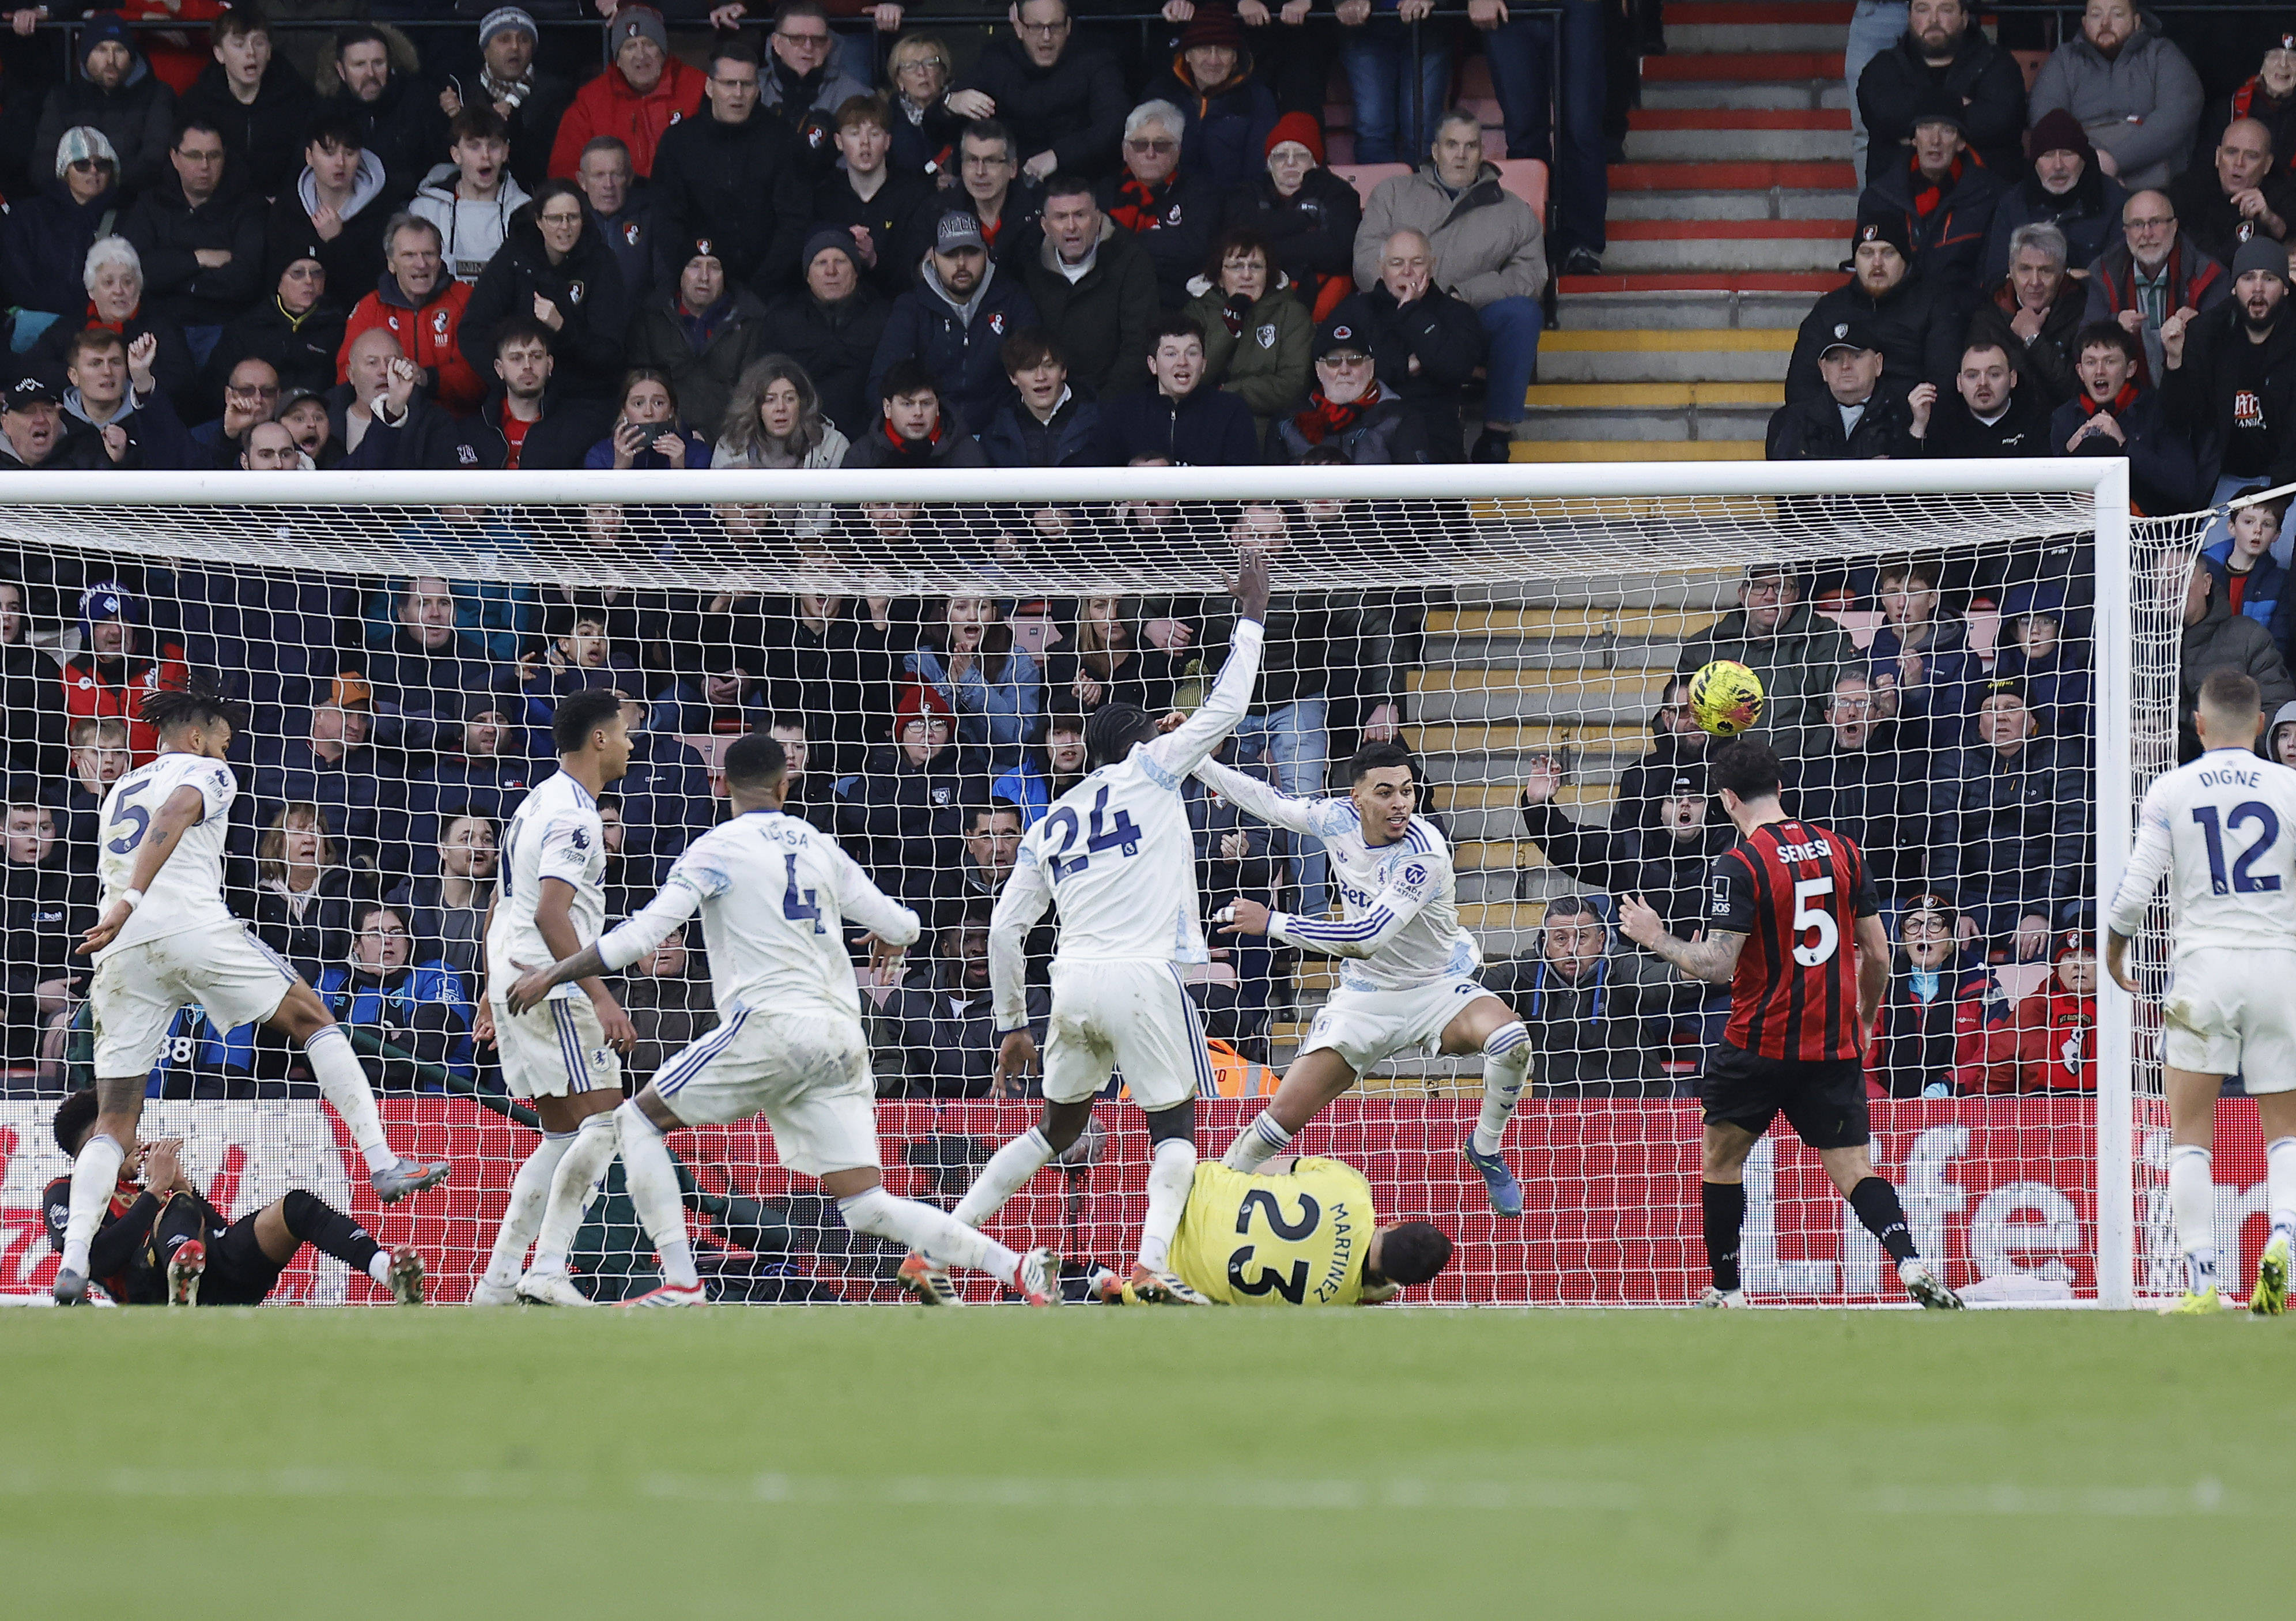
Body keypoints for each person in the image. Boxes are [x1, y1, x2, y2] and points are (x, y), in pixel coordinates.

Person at [505, 730, 1057, 1307]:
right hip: (842, 1039)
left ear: (722, 786)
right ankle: (1015, 1265)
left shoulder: (716, 849)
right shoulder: (818, 845)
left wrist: (552, 973)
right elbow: (905, 925)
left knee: (637, 1124)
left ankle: (682, 1282)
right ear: (785, 784)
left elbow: (641, 934)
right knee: (865, 1203)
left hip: (771, 1025)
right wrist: (887, 939)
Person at [941, 550, 1272, 1306]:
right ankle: (1152, 1265)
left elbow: (1003, 931)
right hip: (1138, 974)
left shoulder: (1051, 819)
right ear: (1142, 744)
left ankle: (939, 1248)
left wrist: (1010, 1025)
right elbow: (1224, 709)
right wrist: (1249, 616)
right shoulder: (1154, 771)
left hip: (1071, 983)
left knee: (1055, 1131)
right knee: (1176, 1129)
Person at [47, 689, 450, 1306]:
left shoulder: (120, 789)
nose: (228, 743)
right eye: (223, 733)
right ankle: (382, 1160)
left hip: (122, 953)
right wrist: (133, 897)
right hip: (187, 927)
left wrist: (123, 909)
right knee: (313, 1017)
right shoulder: (205, 771)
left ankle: (73, 1264)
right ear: (198, 735)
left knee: (114, 1118)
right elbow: (178, 812)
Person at [1615, 737, 1963, 1310]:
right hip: (1831, 1044)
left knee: (1721, 1164)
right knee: (1854, 1168)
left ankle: (1728, 1291)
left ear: (1727, 799)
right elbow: (1878, 953)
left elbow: (1718, 964)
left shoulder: (1740, 862)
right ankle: (1910, 1261)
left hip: (1756, 1043)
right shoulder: (1844, 850)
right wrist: (1868, 1018)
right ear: (1780, 788)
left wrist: (1655, 937)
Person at [1204, 738, 1535, 1215]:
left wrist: (1272, 922)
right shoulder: (1335, 818)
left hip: (1436, 989)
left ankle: (1485, 1147)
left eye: (1407, 790)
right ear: (1356, 797)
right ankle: (1214, 1194)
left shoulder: (1425, 854)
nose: (1400, 803)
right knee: (1280, 1119)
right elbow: (1269, 803)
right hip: (1365, 997)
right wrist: (1198, 760)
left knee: (1511, 1040)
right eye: (1385, 792)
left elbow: (1366, 937)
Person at [2106, 666, 2296, 1314]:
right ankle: (2282, 1244)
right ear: (2263, 724)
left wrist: (2113, 948)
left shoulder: (2173, 787)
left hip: (2204, 969)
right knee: (2287, 1130)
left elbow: (2135, 891)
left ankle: (2202, 1282)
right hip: (2279, 966)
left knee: (2188, 1129)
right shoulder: (2291, 787)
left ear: (2199, 724)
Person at [466, 689, 638, 1306]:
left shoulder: (537, 800)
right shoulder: (575, 817)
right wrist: (601, 996)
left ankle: (499, 1281)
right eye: (621, 732)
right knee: (606, 1123)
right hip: (552, 983)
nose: (630, 741)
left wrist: (487, 990)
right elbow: (548, 912)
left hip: (513, 973)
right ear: (598, 739)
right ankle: (548, 1268)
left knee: (563, 1137)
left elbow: (504, 900)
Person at [44, 1092, 425, 1308]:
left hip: (216, 1277)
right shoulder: (66, 1191)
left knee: (296, 1208)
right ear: (102, 1138)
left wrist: (183, 1187)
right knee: (176, 1208)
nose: (137, 1139)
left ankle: (384, 1269)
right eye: (127, 1131)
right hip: (149, 1293)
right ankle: (181, 1287)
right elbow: (98, 1261)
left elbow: (220, 1233)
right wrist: (158, 1192)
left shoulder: (148, 1186)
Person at [1352, 110, 1546, 461]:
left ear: (1483, 151)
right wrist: (1408, 292)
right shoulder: (1394, 192)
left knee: (1522, 313)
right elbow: (1366, 260)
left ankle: (1496, 436)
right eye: (1452, 145)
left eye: (1471, 146)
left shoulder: (1514, 210)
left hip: (1465, 320)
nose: (1461, 154)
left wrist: (1466, 294)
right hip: (1395, 318)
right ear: (1435, 150)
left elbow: (1532, 275)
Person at [1131, 1149, 1451, 1306]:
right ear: (1394, 1282)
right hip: (1179, 1270)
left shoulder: (1353, 1188)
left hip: (1181, 1193)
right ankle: (1123, 1290)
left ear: (1395, 1224)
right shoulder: (1333, 1306)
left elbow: (1267, 1167)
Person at [1928, 678, 2089, 957]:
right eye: (1990, 709)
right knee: (1945, 945)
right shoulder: (1955, 758)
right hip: (1973, 900)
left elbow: (2071, 839)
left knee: (2048, 947)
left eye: (2011, 707)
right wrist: (1952, 910)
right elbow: (1944, 840)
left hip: (2040, 896)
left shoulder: (2063, 753)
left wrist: (2042, 911)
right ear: (1978, 722)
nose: (2000, 716)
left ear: (2032, 718)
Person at [651, 35, 812, 296]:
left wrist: (760, 289)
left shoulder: (782, 139)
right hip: (698, 288)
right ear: (709, 87)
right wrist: (697, 283)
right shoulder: (679, 142)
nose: (738, 94)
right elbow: (668, 223)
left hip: (772, 291)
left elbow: (795, 222)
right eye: (729, 84)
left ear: (758, 90)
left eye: (746, 84)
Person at [2161, 236, 2296, 512]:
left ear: (2285, 289)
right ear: (2234, 288)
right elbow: (2178, 420)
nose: (2258, 289)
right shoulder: (2208, 334)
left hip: (2289, 482)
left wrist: (2278, 501)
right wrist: (2175, 359)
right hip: (2224, 478)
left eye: (2269, 278)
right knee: (2213, 554)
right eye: (2248, 278)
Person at [869, 209, 1036, 430]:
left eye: (971, 252)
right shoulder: (912, 307)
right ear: (933, 258)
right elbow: (881, 385)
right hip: (933, 437)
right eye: (950, 255)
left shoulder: (1013, 299)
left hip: (1004, 434)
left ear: (986, 253)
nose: (961, 264)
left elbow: (1036, 375)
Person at [1675, 563, 1858, 764]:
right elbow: (1670, 717)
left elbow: (1850, 704)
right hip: (1724, 772)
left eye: (1781, 587)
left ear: (1796, 594)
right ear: (1742, 593)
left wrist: (1811, 754)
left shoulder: (1826, 638)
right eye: (1759, 586)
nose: (1770, 596)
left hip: (1807, 772)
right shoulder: (1705, 647)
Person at [1328, 229, 1484, 462]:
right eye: (1396, 263)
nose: (1407, 271)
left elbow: (1455, 367)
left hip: (1433, 437)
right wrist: (1403, 366)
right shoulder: (1355, 310)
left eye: (1417, 262)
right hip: (1362, 431)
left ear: (1432, 266)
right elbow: (1331, 372)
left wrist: (1413, 312)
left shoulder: (1456, 313)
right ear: (1381, 268)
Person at [118, 118, 265, 361]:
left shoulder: (248, 206)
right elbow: (134, 270)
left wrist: (176, 278)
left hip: (224, 327)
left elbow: (246, 278)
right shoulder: (150, 204)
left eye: (214, 156)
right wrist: (197, 259)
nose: (205, 165)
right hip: (159, 328)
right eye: (195, 156)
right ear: (175, 158)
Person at [2028, 0, 2202, 193]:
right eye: (2096, 15)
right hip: (2079, 177)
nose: (2105, 23)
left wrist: (2116, 160)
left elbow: (2177, 115)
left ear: (2136, 21)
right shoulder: (2063, 60)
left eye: (2117, 14)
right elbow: (2046, 119)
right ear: (2085, 23)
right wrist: (2093, 161)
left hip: (2156, 184)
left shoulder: (2162, 54)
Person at [1786, 214, 1961, 404]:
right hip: (1843, 424)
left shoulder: (1934, 303)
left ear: (1904, 259)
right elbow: (1801, 387)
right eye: (1867, 253)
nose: (1877, 263)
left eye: (1888, 253)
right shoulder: (1830, 309)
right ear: (1855, 260)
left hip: (1910, 423)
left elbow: (1943, 384)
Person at [946, 0, 1126, 182]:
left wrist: (1059, 156)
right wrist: (950, 104)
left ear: (1069, 27)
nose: (1046, 37)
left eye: (1054, 27)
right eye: (1036, 27)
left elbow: (1113, 124)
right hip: (1007, 188)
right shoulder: (995, 60)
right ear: (1019, 28)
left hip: (1078, 185)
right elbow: (936, 128)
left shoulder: (1095, 61)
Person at [1853, 0, 2025, 186]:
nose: (1934, 20)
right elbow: (1882, 115)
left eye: (1946, 10)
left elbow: (2000, 121)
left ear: (1965, 19)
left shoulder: (1998, 64)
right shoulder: (1883, 67)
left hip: (1981, 202)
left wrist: (1914, 125)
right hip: (1901, 201)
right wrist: (1958, 108)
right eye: (1923, 10)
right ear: (1909, 18)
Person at [1019, 174, 1158, 402]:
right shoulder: (1030, 266)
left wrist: (1101, 409)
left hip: (1113, 404)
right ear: (1045, 225)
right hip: (1048, 402)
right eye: (1061, 217)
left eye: (1080, 215)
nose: (1071, 226)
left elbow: (1138, 347)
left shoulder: (1131, 261)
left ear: (1098, 218)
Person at [1853, 93, 2003, 301]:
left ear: (1961, 142)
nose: (1935, 140)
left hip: (1963, 318)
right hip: (1897, 316)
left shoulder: (1989, 196)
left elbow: (1991, 276)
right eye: (1926, 128)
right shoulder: (1880, 198)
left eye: (1948, 130)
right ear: (1913, 139)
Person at [314, 902, 476, 1091]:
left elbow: (428, 1046)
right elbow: (316, 1046)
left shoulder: (436, 973)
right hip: (354, 1100)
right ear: (356, 945)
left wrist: (355, 1040)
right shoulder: (332, 983)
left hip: (436, 1103)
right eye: (375, 933)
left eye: (396, 932)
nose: (387, 940)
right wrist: (389, 1036)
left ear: (408, 940)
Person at [29, 235, 197, 417]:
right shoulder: (72, 325)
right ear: (91, 291)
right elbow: (34, 365)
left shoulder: (161, 325)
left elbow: (183, 383)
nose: (119, 291)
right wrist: (88, 381)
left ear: (139, 287)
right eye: (109, 283)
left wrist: (128, 381)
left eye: (128, 282)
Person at [624, 235, 772, 439]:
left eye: (714, 267)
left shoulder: (750, 322)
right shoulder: (652, 318)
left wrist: (711, 437)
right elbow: (639, 391)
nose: (704, 277)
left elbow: (753, 396)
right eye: (695, 266)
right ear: (681, 273)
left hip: (732, 442)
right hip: (661, 440)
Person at [2052, 318, 2200, 515]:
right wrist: (2069, 454)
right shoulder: (2064, 418)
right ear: (2080, 371)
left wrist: (2125, 446)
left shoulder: (2158, 410)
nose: (2099, 371)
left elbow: (2184, 488)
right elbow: (2051, 505)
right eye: (2090, 362)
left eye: (2110, 361)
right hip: (2084, 534)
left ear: (2131, 369)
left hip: (2148, 534)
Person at [1222, 112, 1360, 321]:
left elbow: (1341, 251)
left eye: (1301, 155)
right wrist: (1305, 222)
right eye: (1280, 156)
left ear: (1315, 162)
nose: (1290, 163)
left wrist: (1265, 243)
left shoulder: (1338, 192)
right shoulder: (1247, 193)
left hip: (1324, 301)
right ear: (1269, 163)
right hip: (1258, 298)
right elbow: (1235, 244)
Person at [339, 213, 484, 414]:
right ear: (391, 263)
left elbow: (480, 374)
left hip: (454, 423)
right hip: (385, 423)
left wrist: (428, 378)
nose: (421, 264)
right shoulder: (370, 308)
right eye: (409, 255)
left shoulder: (465, 300)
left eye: (429, 254)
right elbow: (346, 374)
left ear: (440, 258)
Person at [546, 6, 705, 180]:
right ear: (618, 60)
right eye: (630, 47)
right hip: (617, 203)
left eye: (649, 44)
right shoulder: (591, 101)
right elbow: (564, 168)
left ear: (663, 51)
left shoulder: (697, 87)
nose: (641, 55)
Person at [760, 230, 888, 442]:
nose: (831, 271)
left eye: (840, 261)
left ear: (856, 272)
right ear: (807, 276)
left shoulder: (883, 316)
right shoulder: (782, 320)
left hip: (869, 440)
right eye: (821, 263)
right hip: (798, 440)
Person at [33, 12, 176, 201]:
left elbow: (154, 161)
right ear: (85, 56)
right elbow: (43, 164)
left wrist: (99, 184)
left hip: (135, 205)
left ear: (132, 57)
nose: (111, 60)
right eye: (101, 49)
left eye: (119, 50)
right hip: (71, 203)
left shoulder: (157, 94)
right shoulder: (62, 98)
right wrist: (79, 190)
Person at [1184, 227, 1308, 444]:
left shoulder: (1291, 313)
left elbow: (1293, 384)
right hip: (1202, 426)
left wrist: (1226, 393)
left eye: (1256, 266)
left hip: (1266, 432)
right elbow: (1190, 377)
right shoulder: (1197, 312)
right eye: (1236, 267)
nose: (1247, 275)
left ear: (1268, 274)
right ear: (1220, 277)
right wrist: (1229, 329)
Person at [1978, 109, 2128, 288]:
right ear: (2034, 162)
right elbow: (1996, 278)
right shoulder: (2013, 205)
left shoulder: (2115, 200)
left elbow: (2120, 276)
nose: (2058, 166)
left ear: (2084, 159)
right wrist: (2069, 276)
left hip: (2094, 310)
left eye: (2067, 154)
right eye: (2047, 156)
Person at [1867, 891, 1995, 1098]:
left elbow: (1995, 1053)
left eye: (1934, 924)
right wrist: (1884, 1106)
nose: (1922, 933)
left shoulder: (1982, 987)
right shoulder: (1879, 988)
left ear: (1951, 937)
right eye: (1913, 925)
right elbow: (1860, 1059)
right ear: (1904, 937)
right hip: (1890, 1111)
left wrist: (1948, 1086)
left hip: (1962, 1107)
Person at [180, 7, 315, 201]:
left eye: (259, 43)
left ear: (269, 51)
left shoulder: (299, 98)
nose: (251, 53)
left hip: (283, 205)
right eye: (239, 44)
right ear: (219, 54)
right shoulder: (196, 103)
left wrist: (285, 199)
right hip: (220, 207)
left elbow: (307, 162)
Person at [0, 129, 123, 333]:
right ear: (65, 170)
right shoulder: (28, 216)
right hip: (38, 326)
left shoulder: (127, 218)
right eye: (82, 164)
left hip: (98, 329)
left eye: (102, 165)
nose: (93, 171)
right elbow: (17, 278)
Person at [1100, 99, 1218, 310]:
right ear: (1125, 151)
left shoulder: (1199, 192)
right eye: (1140, 144)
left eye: (1161, 145)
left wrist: (1123, 240)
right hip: (1114, 304)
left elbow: (1197, 250)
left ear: (1178, 151)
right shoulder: (1105, 192)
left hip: (1179, 306)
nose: (1150, 153)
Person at [440, 7, 573, 195]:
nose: (515, 47)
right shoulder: (461, 91)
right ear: (485, 50)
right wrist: (456, 120)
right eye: (504, 39)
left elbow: (548, 160)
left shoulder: (556, 92)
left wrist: (512, 119)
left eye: (524, 40)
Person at [266, 115, 390, 315]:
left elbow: (378, 287)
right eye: (329, 153)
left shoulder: (381, 210)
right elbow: (273, 280)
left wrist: (337, 241)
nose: (340, 163)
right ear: (309, 156)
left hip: (360, 320)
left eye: (349, 153)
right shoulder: (288, 208)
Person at [1146, 6, 1277, 195]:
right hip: (1170, 205)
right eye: (1204, 49)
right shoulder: (1161, 93)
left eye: (1223, 50)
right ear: (1188, 55)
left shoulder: (1257, 98)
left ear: (1235, 57)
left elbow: (1259, 172)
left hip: (1235, 206)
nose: (1213, 60)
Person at [1095, 314, 1258, 466]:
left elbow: (1244, 487)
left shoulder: (1231, 410)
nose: (1182, 362)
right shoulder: (1123, 412)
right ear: (1153, 365)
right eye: (1171, 354)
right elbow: (1099, 484)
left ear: (1204, 364)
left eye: (1192, 353)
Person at [813, 95, 931, 303]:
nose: (865, 143)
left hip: (899, 307)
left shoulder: (914, 195)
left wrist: (874, 260)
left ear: (888, 142)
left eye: (874, 134)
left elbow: (917, 274)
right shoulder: (825, 196)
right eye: (855, 134)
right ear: (839, 142)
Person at [2179, 558, 2296, 764]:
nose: (2171, 588)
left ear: (2207, 584)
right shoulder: (2136, 647)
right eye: (2161, 581)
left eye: (2181, 578)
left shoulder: (2248, 638)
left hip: (2240, 777)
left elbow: (2278, 722)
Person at [319, 24, 448, 209]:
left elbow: (440, 166)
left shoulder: (418, 99)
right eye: (359, 65)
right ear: (341, 71)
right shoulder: (327, 110)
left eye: (378, 63)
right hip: (349, 210)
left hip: (411, 209)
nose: (370, 74)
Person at [1765, 316, 1920, 463]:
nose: (1846, 366)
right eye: (1835, 359)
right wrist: (1866, 470)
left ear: (1878, 363)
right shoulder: (1792, 419)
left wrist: (1918, 428)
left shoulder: (1904, 416)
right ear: (1823, 368)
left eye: (1857, 356)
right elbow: (1785, 474)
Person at [2165, 117, 2296, 276]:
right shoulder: (2188, 189)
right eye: (2231, 152)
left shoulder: (2282, 193)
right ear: (2218, 156)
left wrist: (2270, 219)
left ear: (2268, 164)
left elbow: (2289, 234)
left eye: (2252, 156)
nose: (2239, 163)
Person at [1268, 316, 1407, 463]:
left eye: (1355, 359)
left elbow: (1415, 483)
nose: (1345, 370)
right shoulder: (1287, 423)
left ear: (1371, 368)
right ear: (1318, 370)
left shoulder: (1399, 418)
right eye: (1333, 361)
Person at [1978, 221, 2086, 410]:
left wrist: (2033, 339)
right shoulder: (1988, 317)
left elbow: (2076, 390)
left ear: (2061, 274)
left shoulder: (2082, 312)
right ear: (2011, 271)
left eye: (2045, 270)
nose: (2035, 282)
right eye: (2025, 269)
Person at [756, 0, 869, 156]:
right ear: (777, 44)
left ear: (828, 45)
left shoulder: (854, 95)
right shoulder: (752, 88)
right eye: (797, 39)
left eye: (817, 40)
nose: (808, 47)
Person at [1915, 333, 2050, 457]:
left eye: (1994, 374)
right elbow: (1910, 477)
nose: (1983, 383)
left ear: (2013, 379)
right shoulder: (1943, 426)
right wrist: (1919, 425)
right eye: (1972, 376)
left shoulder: (2038, 424)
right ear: (1959, 383)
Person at [713, 353, 851, 473]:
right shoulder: (730, 448)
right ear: (755, 407)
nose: (780, 408)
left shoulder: (832, 446)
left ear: (802, 404)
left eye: (789, 399)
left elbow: (839, 503)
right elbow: (715, 500)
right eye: (770, 400)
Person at [979, 329, 1098, 467]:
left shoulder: (1102, 424)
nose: (1041, 377)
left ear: (1063, 371)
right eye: (1029, 369)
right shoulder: (995, 436)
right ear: (1012, 377)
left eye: (1049, 366)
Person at [574, 137, 666, 314]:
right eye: (599, 175)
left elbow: (664, 286)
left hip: (642, 330)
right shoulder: (570, 220)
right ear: (582, 181)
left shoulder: (653, 217)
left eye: (616, 174)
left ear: (630, 177)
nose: (608, 185)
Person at [840, 360, 988, 468]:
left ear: (938, 407)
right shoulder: (862, 455)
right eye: (907, 404)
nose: (918, 413)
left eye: (926, 403)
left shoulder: (966, 452)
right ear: (887, 408)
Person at [882, 31, 961, 181]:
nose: (921, 72)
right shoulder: (888, 118)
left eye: (930, 63)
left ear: (943, 73)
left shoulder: (961, 111)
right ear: (899, 80)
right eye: (910, 66)